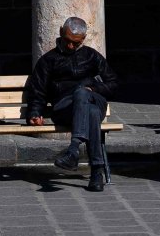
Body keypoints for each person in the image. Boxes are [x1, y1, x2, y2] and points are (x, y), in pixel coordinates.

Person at [24, 17, 119, 192]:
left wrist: (93, 88)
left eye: (75, 44)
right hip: (64, 107)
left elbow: (113, 84)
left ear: (83, 39)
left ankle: (73, 149)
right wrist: (35, 113)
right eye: (67, 41)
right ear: (61, 32)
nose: (70, 46)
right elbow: (38, 91)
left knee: (83, 93)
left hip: (93, 99)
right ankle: (97, 172)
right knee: (90, 113)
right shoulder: (48, 60)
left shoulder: (92, 56)